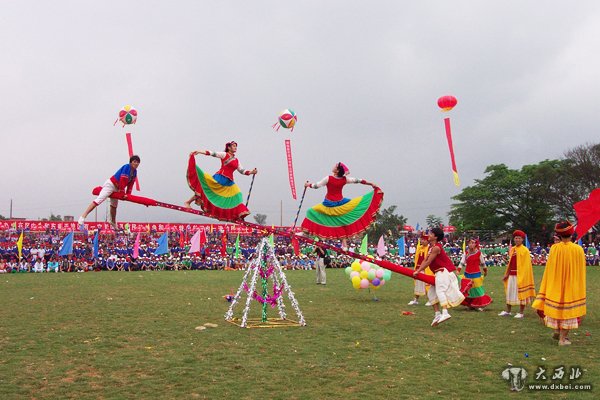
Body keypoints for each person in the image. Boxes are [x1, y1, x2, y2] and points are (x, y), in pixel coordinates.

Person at [532, 221, 586, 346]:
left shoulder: (554, 248)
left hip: (555, 284)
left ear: (559, 236)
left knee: (557, 308)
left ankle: (557, 330)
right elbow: (580, 270)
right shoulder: (578, 249)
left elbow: (550, 268)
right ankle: (563, 339)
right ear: (571, 234)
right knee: (568, 312)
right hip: (571, 285)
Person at [301, 162, 383, 243]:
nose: (333, 166)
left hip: (329, 204)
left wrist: (308, 184)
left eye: (335, 166)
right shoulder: (344, 179)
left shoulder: (329, 178)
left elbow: (316, 186)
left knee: (310, 211)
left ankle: (304, 232)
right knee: (341, 221)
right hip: (341, 203)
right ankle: (344, 244)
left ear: (336, 171)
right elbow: (358, 180)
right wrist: (370, 183)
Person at [186, 141, 257, 221]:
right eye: (233, 146)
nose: (235, 148)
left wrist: (251, 172)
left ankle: (238, 215)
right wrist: (199, 151)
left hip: (229, 182)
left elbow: (242, 171)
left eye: (236, 146)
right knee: (206, 190)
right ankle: (188, 202)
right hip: (220, 178)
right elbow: (212, 153)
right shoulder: (224, 154)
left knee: (237, 196)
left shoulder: (237, 160)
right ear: (229, 147)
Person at [413, 227, 465, 326]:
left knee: (440, 291)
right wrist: (418, 270)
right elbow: (425, 260)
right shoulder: (431, 247)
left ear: (435, 237)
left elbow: (428, 262)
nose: (429, 235)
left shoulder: (436, 247)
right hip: (438, 273)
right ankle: (437, 314)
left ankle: (445, 313)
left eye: (431, 233)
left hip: (443, 271)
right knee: (431, 293)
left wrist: (418, 271)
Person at [79, 155, 141, 230]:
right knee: (99, 200)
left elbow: (131, 184)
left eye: (138, 162)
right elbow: (122, 180)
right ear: (131, 162)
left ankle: (113, 222)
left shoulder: (135, 172)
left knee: (114, 206)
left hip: (118, 189)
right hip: (111, 185)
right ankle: (83, 216)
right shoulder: (126, 167)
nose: (136, 164)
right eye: (134, 162)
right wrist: (122, 193)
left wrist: (128, 195)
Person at [499, 230, 536, 318]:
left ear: (522, 239)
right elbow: (510, 263)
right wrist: (507, 274)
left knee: (521, 293)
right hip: (512, 275)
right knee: (509, 292)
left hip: (521, 275)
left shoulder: (525, 250)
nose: (517, 240)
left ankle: (521, 312)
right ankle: (508, 311)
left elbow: (526, 266)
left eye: (519, 238)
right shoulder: (512, 249)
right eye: (516, 238)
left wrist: (523, 276)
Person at [458, 238, 492, 310]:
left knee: (477, 289)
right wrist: (458, 270)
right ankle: (470, 304)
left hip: (476, 273)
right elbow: (462, 262)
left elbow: (483, 263)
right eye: (470, 243)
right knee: (469, 290)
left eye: (473, 243)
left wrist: (485, 271)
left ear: (476, 244)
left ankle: (479, 305)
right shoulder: (466, 253)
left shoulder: (479, 253)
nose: (471, 244)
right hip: (467, 273)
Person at [408, 233, 433, 306]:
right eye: (421, 239)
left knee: (427, 285)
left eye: (423, 240)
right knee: (417, 285)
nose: (422, 241)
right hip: (418, 269)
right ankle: (415, 299)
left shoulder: (429, 248)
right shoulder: (419, 247)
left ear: (427, 241)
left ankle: (430, 300)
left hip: (426, 269)